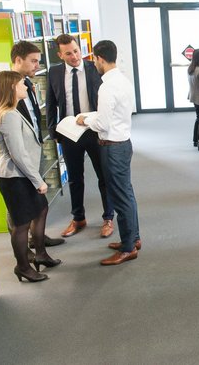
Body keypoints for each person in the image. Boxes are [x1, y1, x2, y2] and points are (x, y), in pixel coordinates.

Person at [0, 41, 64, 255]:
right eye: (33, 60)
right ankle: (24, 251)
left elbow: (34, 117)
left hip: (30, 152)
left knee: (36, 205)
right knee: (19, 211)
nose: (37, 65)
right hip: (14, 158)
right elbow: (1, 125)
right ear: (18, 60)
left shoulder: (27, 83)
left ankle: (37, 240)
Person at [76, 40, 141, 266]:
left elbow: (103, 123)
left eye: (94, 59)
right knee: (127, 193)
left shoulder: (107, 86)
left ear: (100, 59)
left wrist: (85, 119)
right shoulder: (122, 80)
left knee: (121, 197)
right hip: (123, 143)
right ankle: (133, 238)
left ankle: (128, 247)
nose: (94, 63)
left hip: (112, 147)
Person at [46, 34, 115, 239]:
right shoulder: (54, 72)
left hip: (94, 130)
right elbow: (51, 104)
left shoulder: (95, 68)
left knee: (104, 176)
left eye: (76, 51)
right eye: (68, 53)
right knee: (75, 179)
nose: (75, 56)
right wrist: (54, 132)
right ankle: (78, 218)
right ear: (60, 55)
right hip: (69, 133)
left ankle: (108, 217)